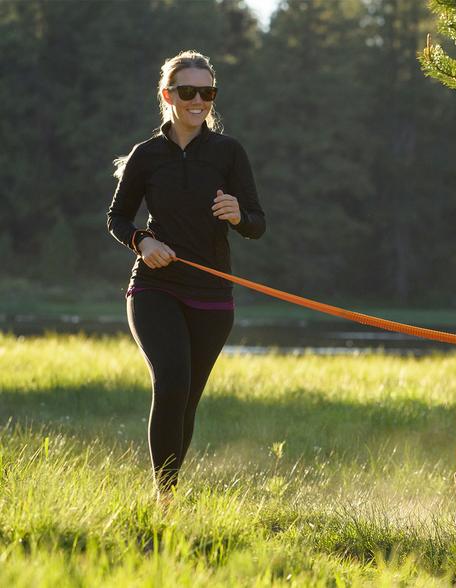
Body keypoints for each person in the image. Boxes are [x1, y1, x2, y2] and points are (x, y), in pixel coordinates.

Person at [107, 50, 265, 500]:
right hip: (155, 286)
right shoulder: (146, 155)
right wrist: (143, 242)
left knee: (187, 399)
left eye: (207, 92)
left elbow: (258, 222)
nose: (198, 100)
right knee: (172, 378)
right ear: (168, 94)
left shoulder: (229, 152)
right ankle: (166, 497)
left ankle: (169, 490)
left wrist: (238, 215)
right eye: (188, 91)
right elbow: (117, 218)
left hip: (213, 294)